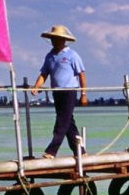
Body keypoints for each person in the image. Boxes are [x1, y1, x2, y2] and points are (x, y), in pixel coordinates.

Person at [29, 24, 88, 158]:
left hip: (69, 91)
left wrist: (83, 94)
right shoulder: (49, 56)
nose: (54, 41)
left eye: (57, 38)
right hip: (57, 92)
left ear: (63, 40)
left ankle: (51, 151)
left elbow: (82, 75)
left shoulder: (72, 55)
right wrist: (36, 86)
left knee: (61, 121)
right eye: (52, 38)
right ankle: (81, 151)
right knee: (68, 122)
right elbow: (44, 74)